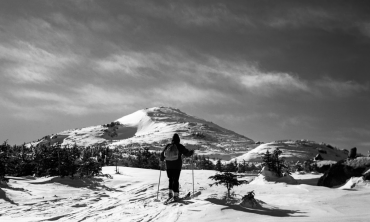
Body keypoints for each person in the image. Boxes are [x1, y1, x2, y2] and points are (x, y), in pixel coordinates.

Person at [160, 133, 194, 201]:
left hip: (168, 166)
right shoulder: (179, 146)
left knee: (170, 179)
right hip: (177, 166)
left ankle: (170, 194)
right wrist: (191, 152)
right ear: (178, 140)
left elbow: (162, 156)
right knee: (175, 180)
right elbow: (187, 154)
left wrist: (162, 159)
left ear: (172, 140)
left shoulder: (168, 146)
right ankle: (176, 196)